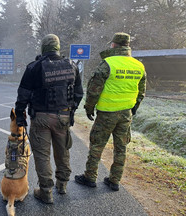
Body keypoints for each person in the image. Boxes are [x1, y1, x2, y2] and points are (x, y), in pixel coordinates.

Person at [15, 34, 83, 203]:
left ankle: (46, 192)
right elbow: (78, 93)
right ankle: (62, 185)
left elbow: (23, 95)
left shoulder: (34, 67)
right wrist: (71, 110)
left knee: (42, 155)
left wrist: (19, 115)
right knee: (63, 151)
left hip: (41, 118)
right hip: (63, 116)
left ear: (43, 48)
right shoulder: (72, 66)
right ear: (58, 47)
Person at [75, 32, 146, 191]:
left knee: (97, 145)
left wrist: (89, 107)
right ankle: (114, 180)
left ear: (113, 45)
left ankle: (90, 177)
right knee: (121, 148)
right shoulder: (138, 65)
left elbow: (94, 89)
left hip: (107, 113)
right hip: (126, 113)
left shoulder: (107, 63)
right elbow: (141, 92)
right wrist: (133, 108)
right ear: (128, 46)